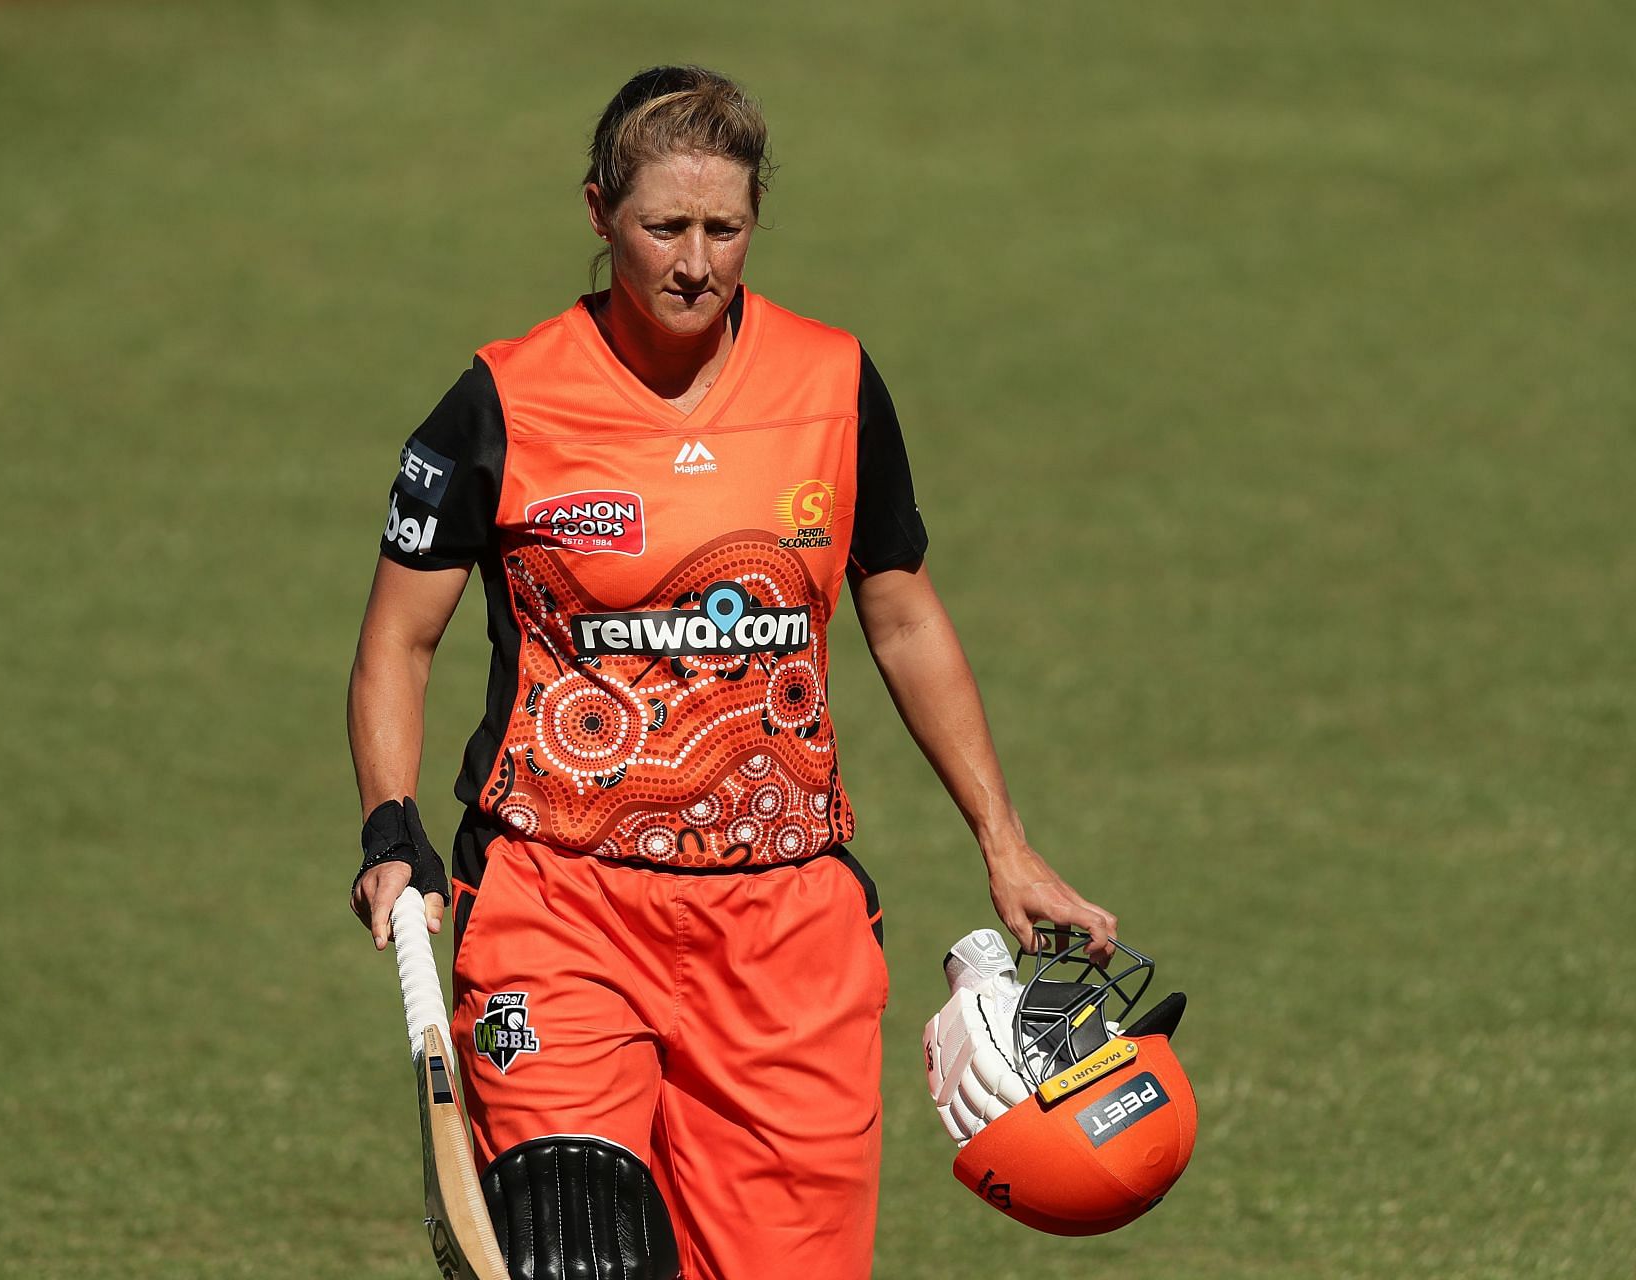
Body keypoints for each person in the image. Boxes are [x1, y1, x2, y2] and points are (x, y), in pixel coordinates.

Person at [349, 64, 1117, 1280]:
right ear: (599, 211)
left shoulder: (832, 382)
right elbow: (398, 636)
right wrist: (392, 822)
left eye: (724, 228)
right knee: (573, 1258)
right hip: (560, 906)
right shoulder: (503, 400)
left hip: (786, 937)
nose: (695, 262)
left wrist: (1002, 836)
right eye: (664, 227)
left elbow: (902, 612)